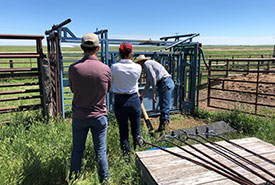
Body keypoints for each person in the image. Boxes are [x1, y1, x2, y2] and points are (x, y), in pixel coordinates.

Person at [68, 33, 111, 183]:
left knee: (77, 151)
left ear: (82, 47)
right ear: (98, 48)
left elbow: (73, 89)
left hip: (79, 116)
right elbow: (107, 89)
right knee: (100, 151)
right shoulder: (105, 69)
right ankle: (104, 181)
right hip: (99, 116)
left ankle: (73, 180)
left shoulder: (73, 69)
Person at [111, 42, 142, 158]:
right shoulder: (138, 67)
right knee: (136, 130)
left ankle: (126, 157)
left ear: (119, 52)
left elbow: (111, 82)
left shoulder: (114, 67)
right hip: (134, 99)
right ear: (131, 53)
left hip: (120, 100)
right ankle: (139, 156)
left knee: (123, 131)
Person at [134, 55, 175, 132]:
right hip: (166, 83)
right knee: (163, 106)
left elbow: (153, 77)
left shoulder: (147, 64)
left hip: (164, 83)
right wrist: (142, 95)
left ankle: (164, 130)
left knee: (164, 107)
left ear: (140, 62)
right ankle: (161, 129)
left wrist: (154, 92)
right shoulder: (149, 65)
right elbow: (148, 83)